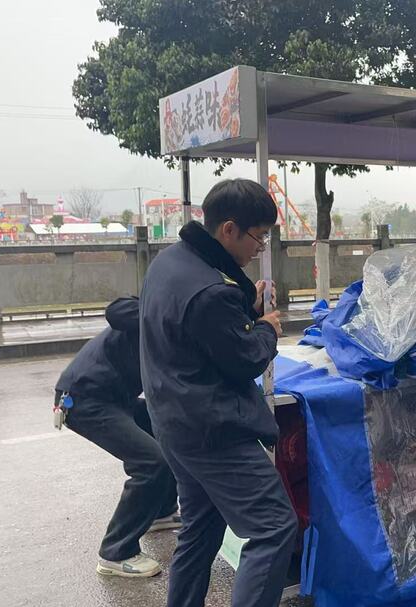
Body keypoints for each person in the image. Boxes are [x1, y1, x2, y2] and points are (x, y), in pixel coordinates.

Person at [139, 179, 295, 607]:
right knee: (274, 527)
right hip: (212, 430)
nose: (259, 249)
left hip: (173, 420)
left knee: (200, 530)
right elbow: (244, 359)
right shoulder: (211, 291)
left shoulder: (171, 262)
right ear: (229, 229)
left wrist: (244, 303)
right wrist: (266, 330)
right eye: (258, 238)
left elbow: (198, 334)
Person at [54, 296, 180, 578]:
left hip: (117, 398)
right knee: (152, 462)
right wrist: (166, 315)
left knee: (170, 429)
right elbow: (116, 311)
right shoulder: (160, 309)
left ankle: (161, 512)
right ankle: (116, 551)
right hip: (84, 399)